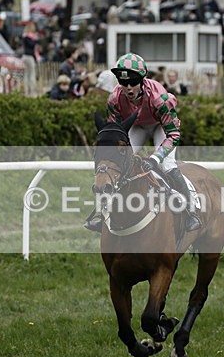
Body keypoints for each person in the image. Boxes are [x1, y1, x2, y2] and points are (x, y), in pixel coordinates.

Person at [85, 52, 201, 233]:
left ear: (142, 80)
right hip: (137, 126)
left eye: (133, 83)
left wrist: (155, 158)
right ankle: (102, 214)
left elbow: (174, 134)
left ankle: (191, 212)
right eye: (123, 83)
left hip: (160, 126)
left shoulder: (158, 99)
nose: (128, 88)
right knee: (116, 163)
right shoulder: (114, 99)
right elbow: (115, 131)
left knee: (167, 165)